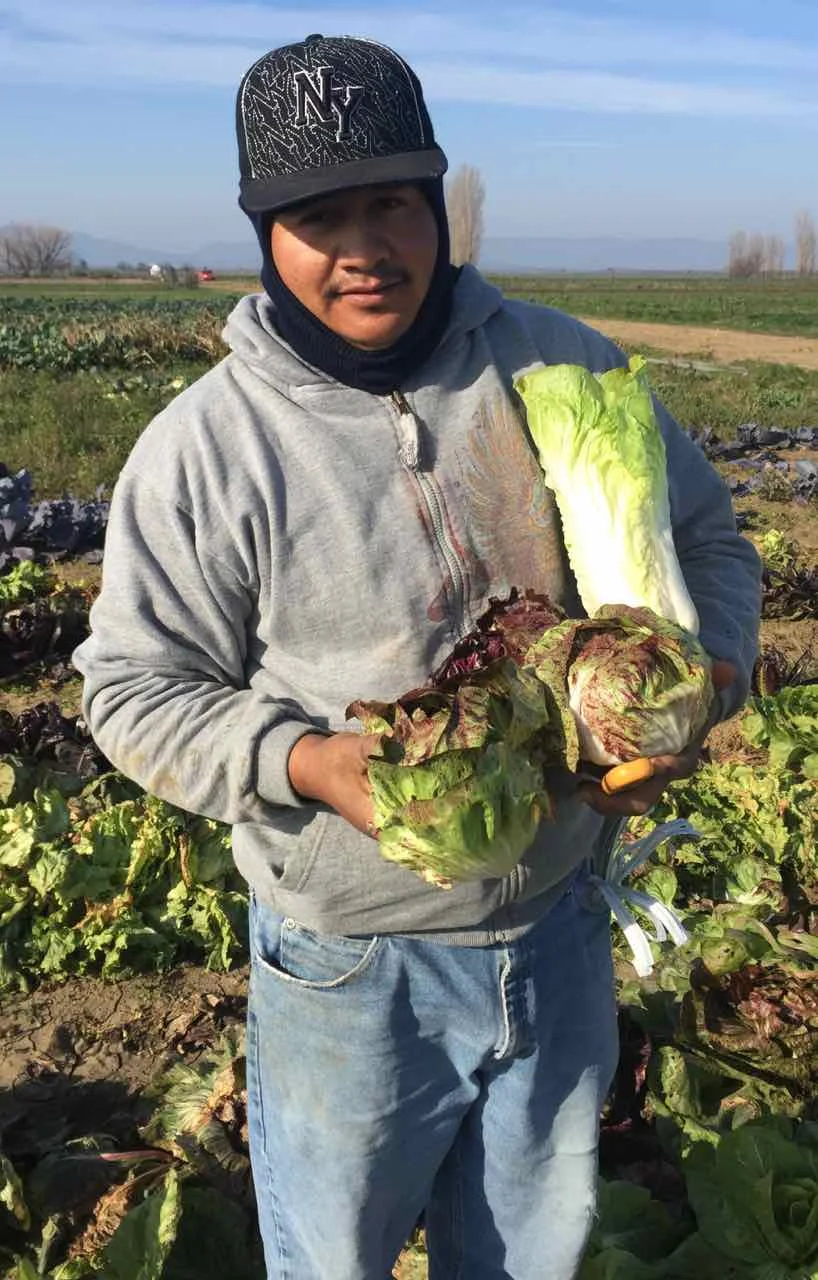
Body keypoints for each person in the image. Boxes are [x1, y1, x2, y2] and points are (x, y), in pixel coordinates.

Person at [73, 33, 761, 1280]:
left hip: (556, 926)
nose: (361, 245)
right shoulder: (205, 450)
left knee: (528, 1253)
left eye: (391, 201)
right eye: (316, 213)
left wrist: (697, 684)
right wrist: (310, 762)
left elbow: (709, 542)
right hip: (351, 964)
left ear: (436, 204)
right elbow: (130, 689)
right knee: (333, 1258)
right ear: (262, 233)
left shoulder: (559, 363)